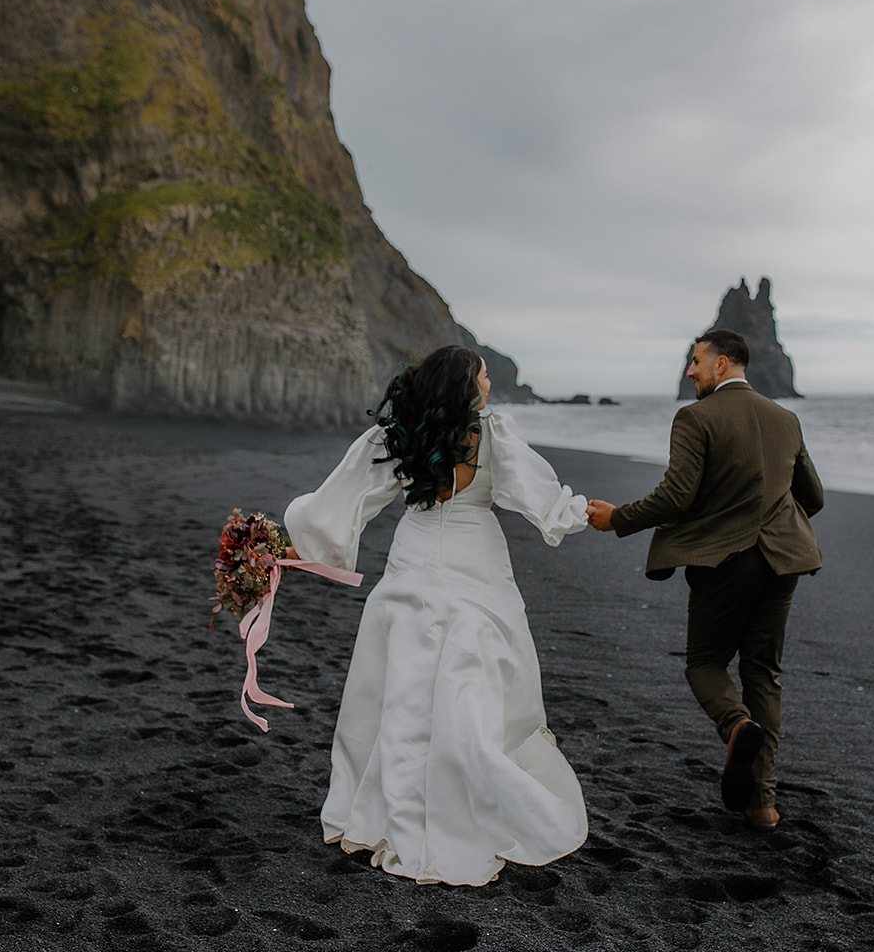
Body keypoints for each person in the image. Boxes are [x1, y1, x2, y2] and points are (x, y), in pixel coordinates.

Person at [283, 345, 590, 885]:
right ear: (467, 385)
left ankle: (391, 805)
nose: (490, 384)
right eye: (486, 376)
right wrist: (578, 512)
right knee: (472, 680)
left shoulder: (397, 435)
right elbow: (536, 496)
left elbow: (341, 501)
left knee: (404, 685)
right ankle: (466, 788)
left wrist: (293, 538)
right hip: (478, 564)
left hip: (415, 559)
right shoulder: (494, 435)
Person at [586, 328, 822, 831]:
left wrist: (617, 518)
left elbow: (676, 496)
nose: (690, 371)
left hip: (725, 560)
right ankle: (762, 804)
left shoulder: (695, 417)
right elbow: (813, 496)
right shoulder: (786, 419)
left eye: (696, 361)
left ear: (722, 364)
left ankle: (737, 727)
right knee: (763, 671)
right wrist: (769, 513)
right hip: (784, 559)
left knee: (705, 663)